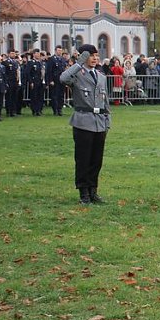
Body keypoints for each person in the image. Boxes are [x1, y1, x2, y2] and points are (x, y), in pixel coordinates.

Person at [59, 44, 111, 205]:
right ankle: (83, 193)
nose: (95, 58)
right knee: (83, 159)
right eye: (91, 55)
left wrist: (107, 121)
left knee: (96, 160)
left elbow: (105, 101)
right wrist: (78, 63)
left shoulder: (101, 76)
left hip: (99, 122)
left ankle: (93, 190)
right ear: (83, 57)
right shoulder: (78, 74)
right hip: (83, 121)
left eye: (97, 55)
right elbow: (63, 78)